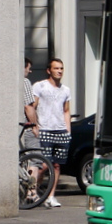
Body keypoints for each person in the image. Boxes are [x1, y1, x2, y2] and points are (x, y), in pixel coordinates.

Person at [31, 58, 71, 207]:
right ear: (49, 70)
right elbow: (32, 106)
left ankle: (51, 196)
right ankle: (33, 190)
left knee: (56, 166)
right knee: (43, 166)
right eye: (56, 68)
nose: (59, 71)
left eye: (61, 68)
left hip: (60, 130)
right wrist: (35, 125)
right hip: (45, 129)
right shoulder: (40, 86)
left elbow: (66, 110)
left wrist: (68, 130)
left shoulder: (66, 90)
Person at [21, 57, 39, 149]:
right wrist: (35, 126)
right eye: (29, 68)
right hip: (27, 128)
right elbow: (28, 106)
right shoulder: (25, 81)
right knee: (35, 160)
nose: (30, 71)